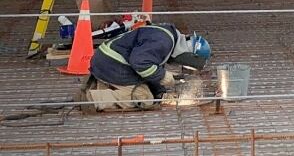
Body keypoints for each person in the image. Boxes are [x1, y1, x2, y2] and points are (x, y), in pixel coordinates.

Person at [78, 22, 211, 112]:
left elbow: (151, 68)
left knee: (150, 90)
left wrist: (160, 92)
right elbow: (141, 64)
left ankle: (103, 84)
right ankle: (90, 99)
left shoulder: (169, 38)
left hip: (109, 61)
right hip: (111, 64)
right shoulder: (163, 43)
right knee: (144, 98)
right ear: (188, 55)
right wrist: (164, 76)